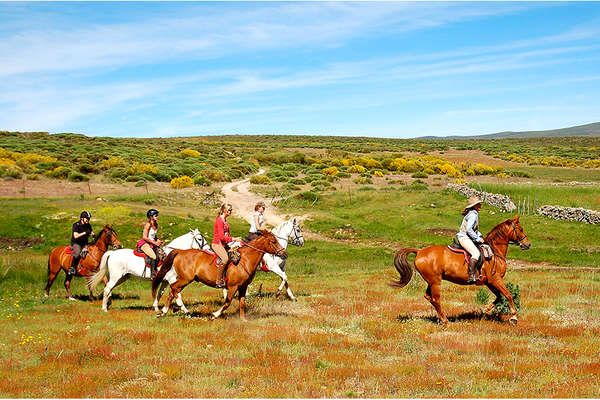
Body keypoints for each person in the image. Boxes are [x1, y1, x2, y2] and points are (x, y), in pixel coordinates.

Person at [212, 203, 242, 288]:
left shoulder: (225, 221)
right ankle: (218, 280)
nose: (230, 211)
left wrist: (235, 243)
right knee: (225, 259)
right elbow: (221, 237)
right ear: (224, 210)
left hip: (224, 244)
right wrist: (234, 239)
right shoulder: (219, 221)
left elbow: (227, 236)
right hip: (217, 244)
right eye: (229, 210)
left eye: (231, 210)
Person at [456, 196, 484, 283]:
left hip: (466, 237)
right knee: (476, 253)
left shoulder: (473, 213)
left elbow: (474, 230)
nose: (480, 205)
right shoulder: (472, 215)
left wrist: (480, 235)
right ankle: (471, 275)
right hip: (464, 237)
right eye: (478, 204)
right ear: (474, 206)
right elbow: (469, 229)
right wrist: (477, 238)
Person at [140, 209, 165, 279]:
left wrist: (159, 240)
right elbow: (144, 237)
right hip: (145, 244)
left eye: (157, 215)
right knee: (154, 256)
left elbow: (154, 236)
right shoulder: (148, 225)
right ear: (151, 217)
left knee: (162, 254)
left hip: (152, 243)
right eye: (156, 215)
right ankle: (153, 274)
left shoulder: (155, 225)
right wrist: (154, 242)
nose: (158, 216)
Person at [69, 211, 94, 275]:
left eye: (89, 219)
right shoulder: (76, 225)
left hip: (85, 243)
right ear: (82, 218)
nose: (88, 220)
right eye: (87, 218)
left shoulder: (88, 225)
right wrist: (85, 232)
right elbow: (75, 236)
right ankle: (72, 268)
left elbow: (92, 233)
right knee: (77, 253)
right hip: (76, 243)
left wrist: (94, 236)